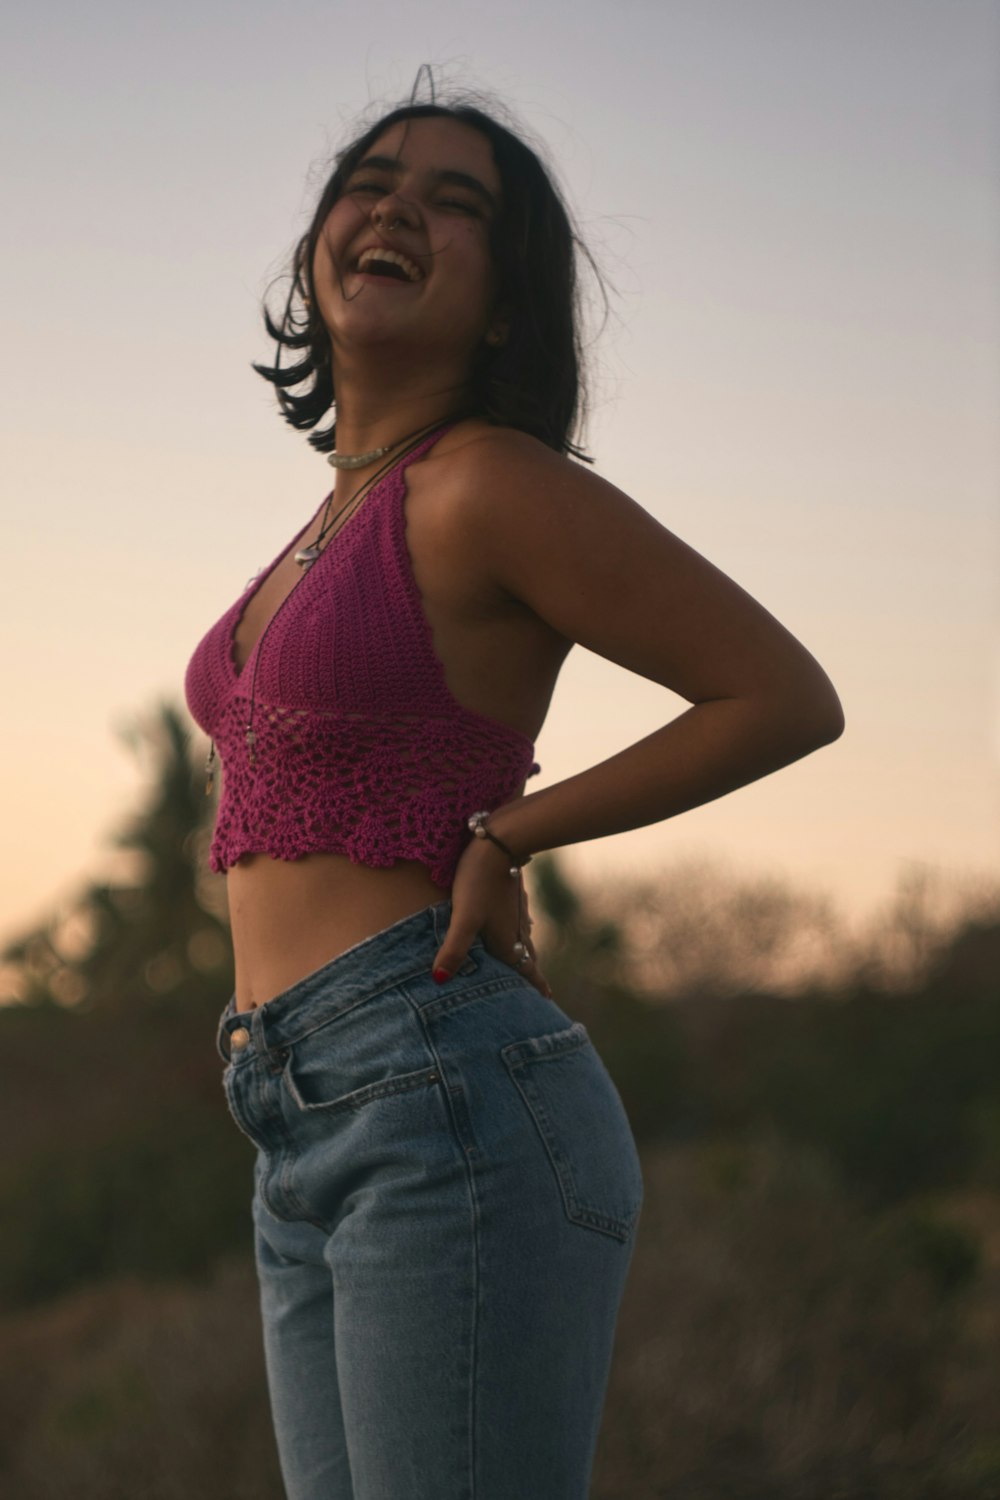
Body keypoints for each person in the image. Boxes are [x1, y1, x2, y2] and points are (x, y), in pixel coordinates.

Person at [184, 83, 844, 1500]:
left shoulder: (488, 482)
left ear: (503, 307)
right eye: (370, 180)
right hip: (293, 1109)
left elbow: (783, 695)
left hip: (443, 1098)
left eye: (455, 202)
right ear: (318, 247)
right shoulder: (325, 521)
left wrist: (515, 828)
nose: (397, 207)